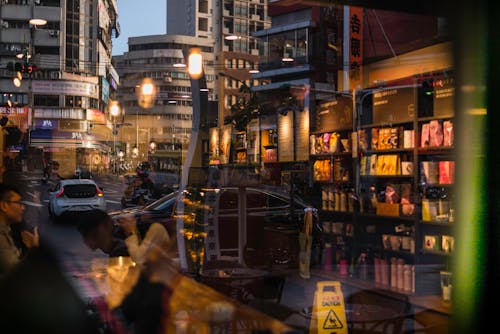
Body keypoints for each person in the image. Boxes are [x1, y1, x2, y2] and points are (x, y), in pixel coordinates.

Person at [0, 183, 39, 277]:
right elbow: (16, 274)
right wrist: (34, 248)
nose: (23, 208)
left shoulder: (7, 230)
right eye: (18, 203)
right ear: (4, 205)